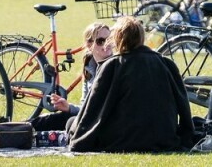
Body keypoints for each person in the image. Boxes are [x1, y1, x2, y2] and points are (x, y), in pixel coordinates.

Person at [68, 16, 195, 152]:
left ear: (118, 38)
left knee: (71, 123)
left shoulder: (113, 65)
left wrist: (76, 137)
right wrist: (186, 136)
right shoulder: (166, 63)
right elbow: (184, 107)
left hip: (122, 140)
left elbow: (91, 111)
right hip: (165, 137)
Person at [31, 22, 112, 131]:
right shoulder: (89, 66)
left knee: (70, 122)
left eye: (110, 39)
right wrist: (68, 107)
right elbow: (85, 107)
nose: (107, 44)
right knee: (45, 121)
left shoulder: (116, 65)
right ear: (89, 45)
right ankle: (9, 129)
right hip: (90, 118)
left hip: (104, 122)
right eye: (101, 41)